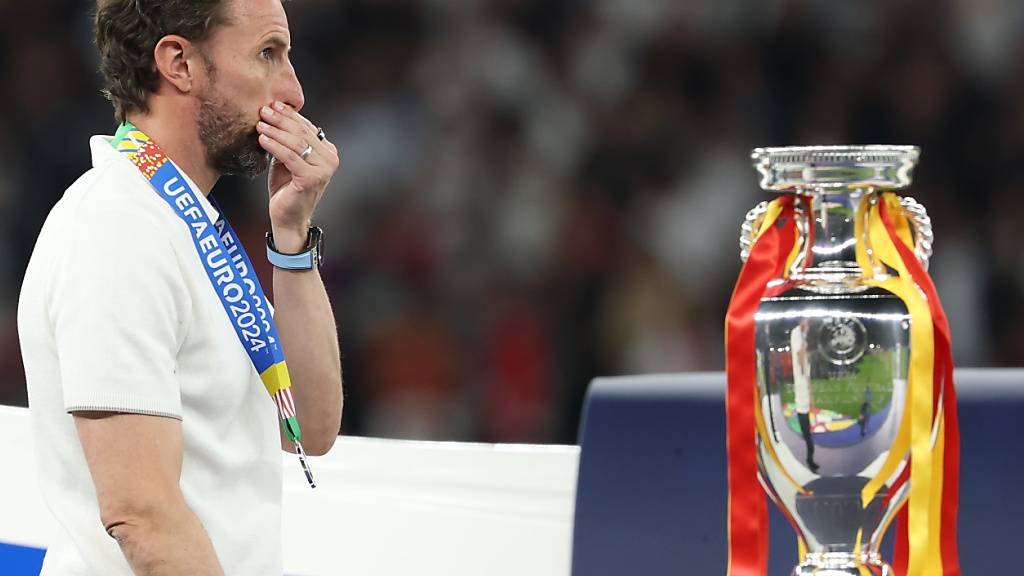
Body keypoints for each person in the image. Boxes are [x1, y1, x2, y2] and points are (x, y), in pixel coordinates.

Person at [17, 1, 343, 574]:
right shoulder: (117, 228)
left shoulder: (181, 224)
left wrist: (292, 238)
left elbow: (308, 427)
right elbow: (142, 514)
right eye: (268, 54)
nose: (293, 92)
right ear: (178, 63)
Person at [790, 318, 818, 472]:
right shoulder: (797, 333)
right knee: (807, 433)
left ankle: (810, 458)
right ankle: (809, 459)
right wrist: (803, 372)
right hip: (802, 386)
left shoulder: (799, 335)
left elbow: (802, 354)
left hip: (803, 386)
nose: (808, 326)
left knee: (808, 432)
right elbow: (800, 353)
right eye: (807, 324)